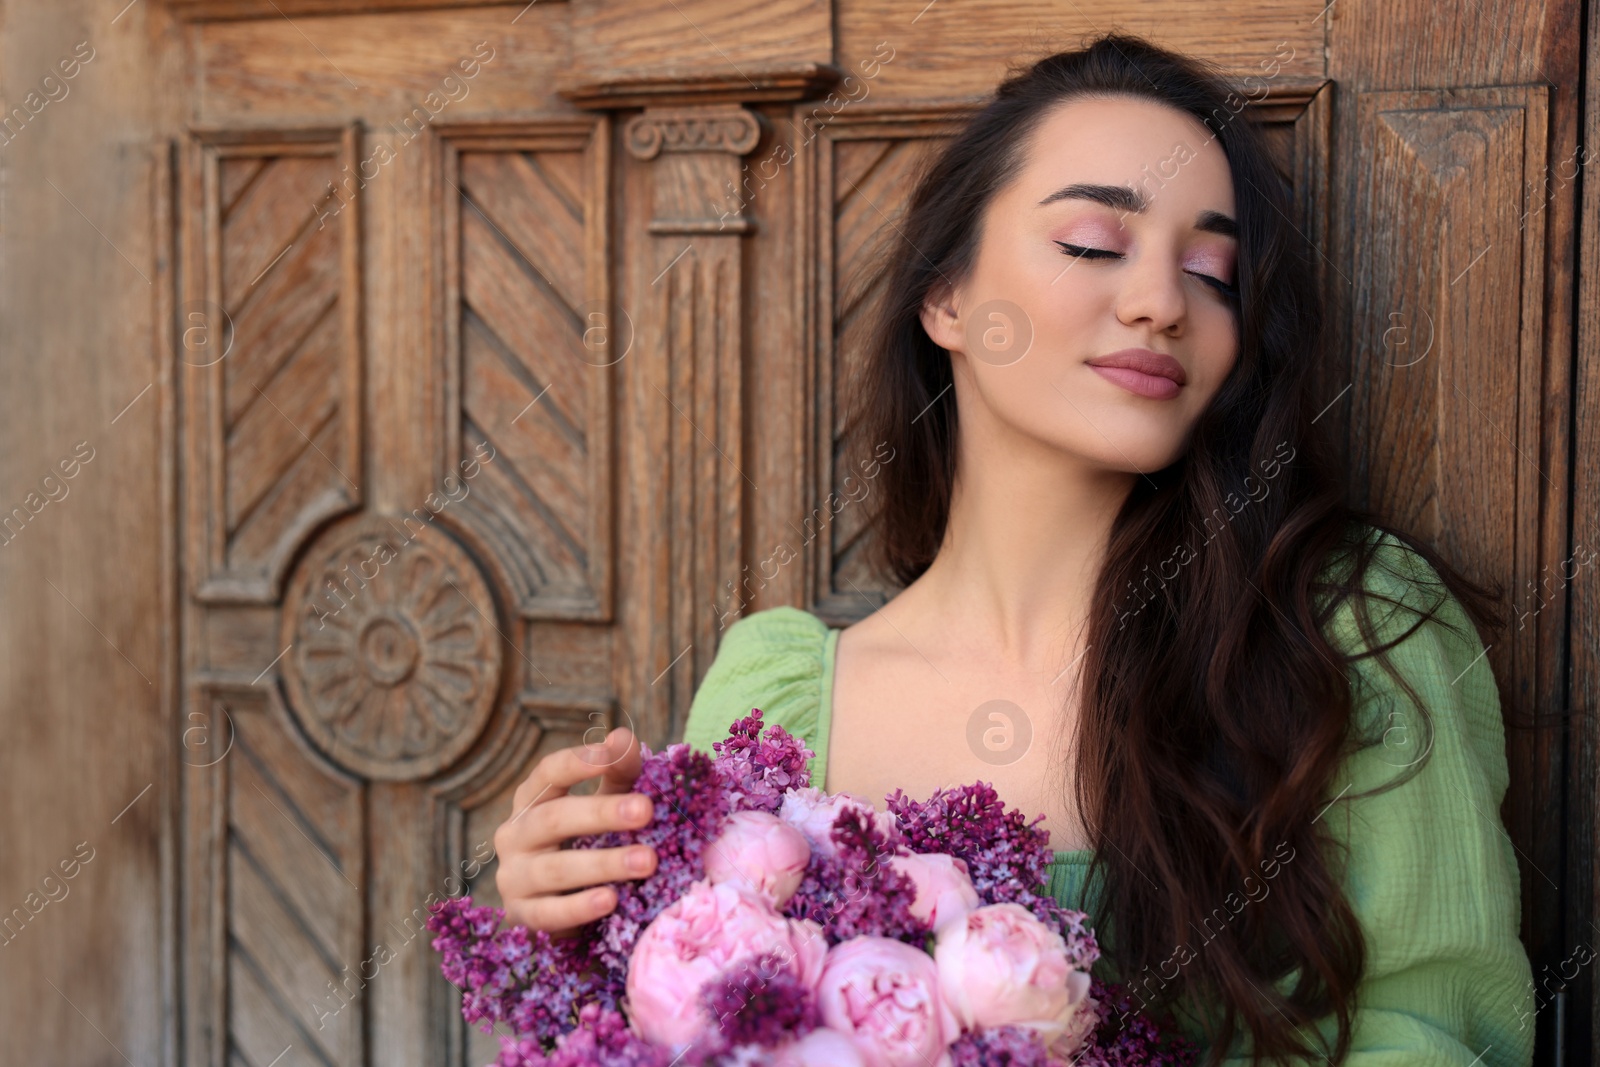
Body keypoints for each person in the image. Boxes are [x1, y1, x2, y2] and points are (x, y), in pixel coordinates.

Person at [491, 32, 1535, 1067]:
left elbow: (1439, 1030)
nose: (1161, 302)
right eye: (1092, 243)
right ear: (946, 299)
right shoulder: (779, 698)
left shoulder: (1345, 630)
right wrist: (586, 947)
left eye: (1212, 271)